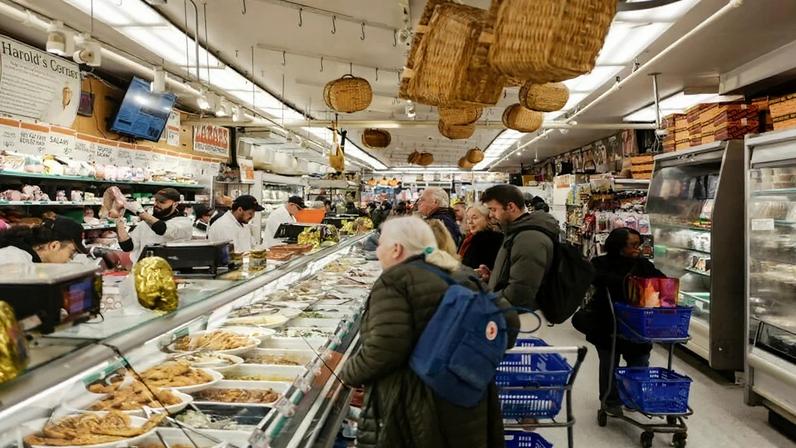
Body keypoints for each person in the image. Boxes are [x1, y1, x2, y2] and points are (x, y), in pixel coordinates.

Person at [340, 216, 518, 448]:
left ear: (396, 249)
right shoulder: (461, 272)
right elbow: (510, 323)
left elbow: (384, 350)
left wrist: (346, 373)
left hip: (418, 407)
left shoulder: (395, 281)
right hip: (468, 395)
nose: (378, 251)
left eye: (381, 244)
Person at [577, 227, 665, 413]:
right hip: (606, 324)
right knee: (609, 363)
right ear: (619, 246)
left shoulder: (643, 265)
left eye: (638, 244)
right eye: (633, 245)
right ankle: (610, 400)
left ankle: (633, 396)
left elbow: (662, 281)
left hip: (636, 326)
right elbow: (594, 277)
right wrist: (628, 282)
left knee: (640, 360)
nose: (638, 249)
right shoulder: (600, 263)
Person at [479, 184, 559, 310]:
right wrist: (494, 277)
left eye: (493, 209)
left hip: (523, 320)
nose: (490, 215)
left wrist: (487, 304)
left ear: (511, 207)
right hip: (513, 314)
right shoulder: (516, 233)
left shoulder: (529, 239)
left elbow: (519, 293)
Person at [115, 188, 193, 262]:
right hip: (145, 271)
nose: (156, 204)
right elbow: (127, 247)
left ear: (175, 204)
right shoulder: (145, 224)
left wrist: (139, 211)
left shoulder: (184, 223)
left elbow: (161, 229)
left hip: (170, 271)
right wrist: (118, 219)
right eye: (156, 200)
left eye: (162, 202)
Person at [0, 217, 87, 264]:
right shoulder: (15, 260)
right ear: (54, 246)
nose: (69, 260)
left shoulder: (29, 257)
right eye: (71, 254)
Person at [459, 204, 503, 271]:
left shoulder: (492, 240)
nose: (470, 222)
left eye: (474, 218)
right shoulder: (467, 238)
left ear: (488, 219)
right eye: (468, 218)